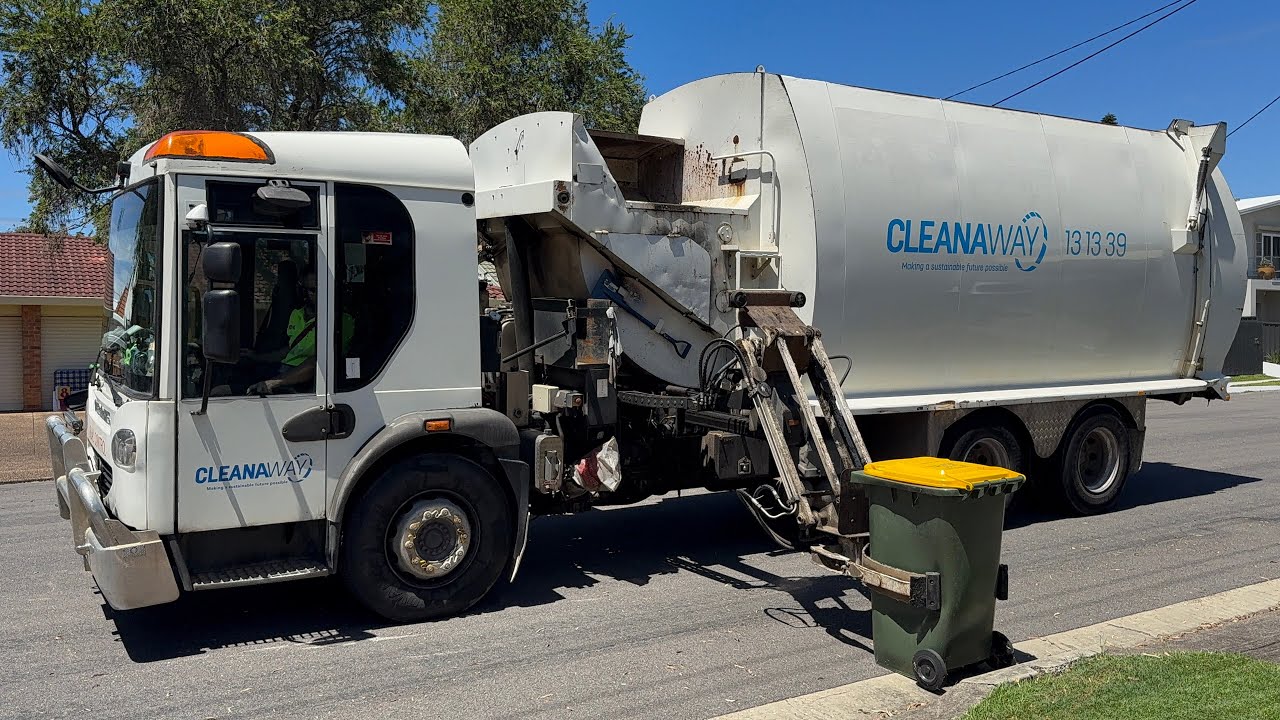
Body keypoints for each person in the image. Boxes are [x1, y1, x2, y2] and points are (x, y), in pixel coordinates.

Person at [247, 268, 354, 395]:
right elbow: (289, 351)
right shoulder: (296, 314)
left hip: (302, 382)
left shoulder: (341, 321)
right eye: (311, 290)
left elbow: (320, 361)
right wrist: (255, 357)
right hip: (280, 370)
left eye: (320, 289)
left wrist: (274, 382)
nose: (317, 294)